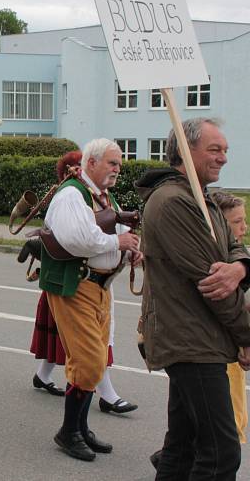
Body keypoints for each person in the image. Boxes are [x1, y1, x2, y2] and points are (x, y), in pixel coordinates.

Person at [137, 117, 250, 479]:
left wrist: (241, 268)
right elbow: (212, 285)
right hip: (192, 341)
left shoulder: (204, 199)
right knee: (220, 455)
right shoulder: (174, 202)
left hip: (202, 338)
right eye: (214, 149)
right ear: (185, 151)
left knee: (181, 449)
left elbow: (234, 248)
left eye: (225, 150)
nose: (223, 158)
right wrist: (247, 335)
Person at [41, 138, 141, 462]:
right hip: (77, 286)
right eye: (113, 163)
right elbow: (78, 239)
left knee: (88, 362)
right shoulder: (72, 193)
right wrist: (118, 240)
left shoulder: (100, 195)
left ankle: (80, 427)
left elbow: (113, 230)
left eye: (119, 164)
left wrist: (130, 247)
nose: (117, 169)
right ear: (93, 162)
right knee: (90, 361)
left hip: (97, 288)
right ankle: (69, 431)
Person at [211, 191, 248, 445]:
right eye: (237, 222)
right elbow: (230, 306)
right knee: (228, 426)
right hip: (220, 348)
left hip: (232, 345)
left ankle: (172, 458)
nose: (244, 228)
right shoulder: (216, 260)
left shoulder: (237, 255)